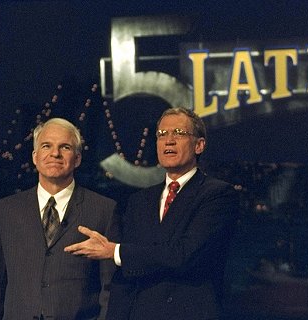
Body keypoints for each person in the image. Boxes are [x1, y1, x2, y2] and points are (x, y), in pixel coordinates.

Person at [65, 107, 237, 320]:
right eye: (162, 135)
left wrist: (116, 252)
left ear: (199, 145)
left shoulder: (217, 195)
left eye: (179, 133)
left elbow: (183, 254)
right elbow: (127, 277)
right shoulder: (139, 201)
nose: (169, 141)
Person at [0, 118, 118, 320]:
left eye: (65, 147)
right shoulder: (6, 210)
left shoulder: (103, 210)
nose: (55, 154)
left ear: (77, 158)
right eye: (47, 146)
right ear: (35, 157)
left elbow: (111, 288)